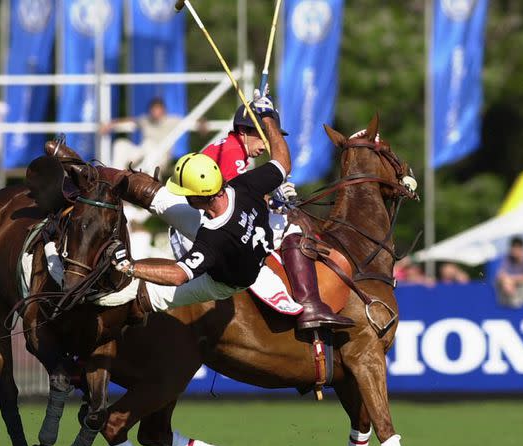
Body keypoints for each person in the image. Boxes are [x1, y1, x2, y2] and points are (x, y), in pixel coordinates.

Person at [109, 93, 353, 330]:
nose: (265, 146)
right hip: (207, 228)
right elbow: (234, 204)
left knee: (159, 200)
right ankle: (309, 306)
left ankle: (103, 177)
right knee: (291, 227)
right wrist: (274, 198)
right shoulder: (235, 157)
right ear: (245, 132)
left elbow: (244, 192)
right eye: (262, 138)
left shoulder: (235, 149)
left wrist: (266, 123)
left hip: (201, 215)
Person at [101, 97, 186, 179]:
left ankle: (152, 185)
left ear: (164, 110)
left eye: (158, 110)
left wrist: (200, 126)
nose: (155, 112)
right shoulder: (145, 120)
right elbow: (130, 121)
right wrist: (110, 124)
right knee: (120, 145)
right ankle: (115, 178)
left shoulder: (172, 121)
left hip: (161, 157)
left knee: (149, 146)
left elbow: (192, 122)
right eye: (153, 110)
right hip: (143, 152)